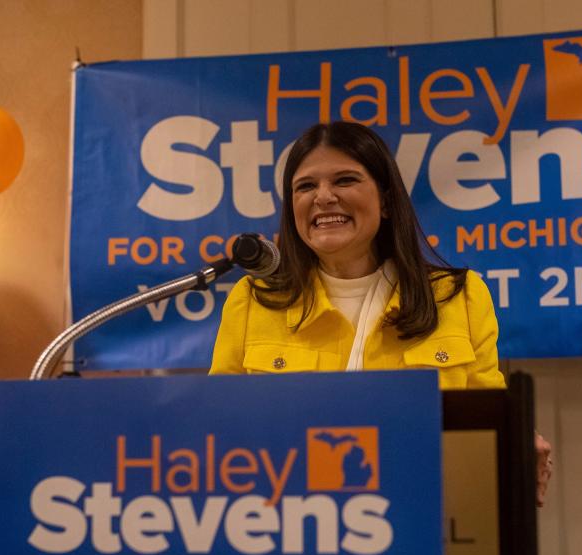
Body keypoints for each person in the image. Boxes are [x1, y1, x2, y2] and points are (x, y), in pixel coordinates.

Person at [210, 121, 552, 505]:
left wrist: (518, 440)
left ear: (387, 201)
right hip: (290, 523)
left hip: (425, 511)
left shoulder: (459, 297)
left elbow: (490, 417)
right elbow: (218, 428)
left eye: (344, 180)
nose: (323, 197)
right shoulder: (253, 300)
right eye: (305, 186)